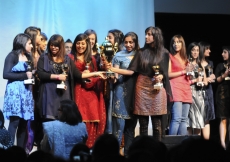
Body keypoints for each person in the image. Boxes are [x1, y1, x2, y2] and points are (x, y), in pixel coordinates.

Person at [107, 26, 172, 142]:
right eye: (146, 34)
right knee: (143, 124)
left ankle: (157, 150)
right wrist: (111, 68)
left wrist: (161, 76)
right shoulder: (141, 52)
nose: (146, 37)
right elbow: (130, 71)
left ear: (156, 36)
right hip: (142, 88)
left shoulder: (164, 53)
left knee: (157, 124)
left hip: (157, 88)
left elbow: (166, 72)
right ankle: (143, 150)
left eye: (149, 34)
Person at [37, 34, 106, 121]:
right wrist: (58, 77)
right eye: (52, 45)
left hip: (64, 94)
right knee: (48, 122)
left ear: (61, 46)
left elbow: (78, 75)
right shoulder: (44, 57)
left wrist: (97, 73)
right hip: (49, 94)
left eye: (56, 46)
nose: (53, 47)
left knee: (63, 121)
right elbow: (40, 74)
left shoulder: (67, 59)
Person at [69, 33, 106, 148]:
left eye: (83, 43)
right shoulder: (70, 58)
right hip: (77, 91)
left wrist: (93, 78)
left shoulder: (92, 59)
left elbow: (96, 76)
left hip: (91, 94)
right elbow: (73, 75)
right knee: (79, 120)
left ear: (87, 45)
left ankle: (90, 150)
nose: (80, 46)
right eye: (78, 43)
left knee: (92, 121)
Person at [2, 33, 34, 149]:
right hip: (15, 93)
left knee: (23, 123)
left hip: (26, 93)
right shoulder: (12, 56)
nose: (32, 46)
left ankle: (20, 152)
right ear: (22, 42)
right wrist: (24, 75)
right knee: (14, 122)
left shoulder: (29, 57)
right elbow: (5, 74)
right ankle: (8, 151)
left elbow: (30, 74)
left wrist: (32, 76)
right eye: (30, 43)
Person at [111, 32, 139, 156]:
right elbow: (116, 77)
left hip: (135, 93)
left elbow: (132, 72)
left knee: (130, 128)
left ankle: (129, 154)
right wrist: (112, 76)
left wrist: (112, 69)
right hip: (120, 92)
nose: (128, 44)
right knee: (119, 126)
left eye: (131, 42)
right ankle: (115, 155)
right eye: (126, 42)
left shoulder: (140, 55)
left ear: (135, 42)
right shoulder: (118, 55)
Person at [168, 35, 192, 135]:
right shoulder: (170, 56)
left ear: (182, 44)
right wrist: (183, 71)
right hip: (175, 88)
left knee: (184, 119)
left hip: (186, 89)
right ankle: (170, 145)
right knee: (177, 118)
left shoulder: (186, 59)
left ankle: (184, 146)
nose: (176, 44)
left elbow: (188, 78)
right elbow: (168, 74)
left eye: (178, 42)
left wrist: (190, 73)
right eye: (174, 42)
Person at [186, 42, 208, 135]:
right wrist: (195, 80)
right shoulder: (187, 64)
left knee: (199, 122)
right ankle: (188, 144)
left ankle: (197, 145)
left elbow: (206, 81)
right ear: (190, 51)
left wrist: (201, 82)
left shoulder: (201, 65)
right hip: (189, 93)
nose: (195, 52)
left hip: (199, 95)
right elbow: (184, 81)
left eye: (197, 50)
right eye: (193, 50)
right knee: (189, 122)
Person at [198, 41, 215, 140]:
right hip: (198, 91)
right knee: (198, 118)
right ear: (202, 49)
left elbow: (211, 78)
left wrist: (212, 77)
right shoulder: (196, 62)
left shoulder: (210, 63)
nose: (209, 51)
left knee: (207, 119)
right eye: (207, 48)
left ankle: (206, 144)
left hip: (208, 92)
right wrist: (206, 79)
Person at [215, 46, 230, 149]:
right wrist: (224, 75)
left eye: (225, 52)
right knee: (223, 118)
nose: (222, 54)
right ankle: (222, 143)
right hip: (223, 94)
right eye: (222, 52)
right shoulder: (220, 65)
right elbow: (217, 80)